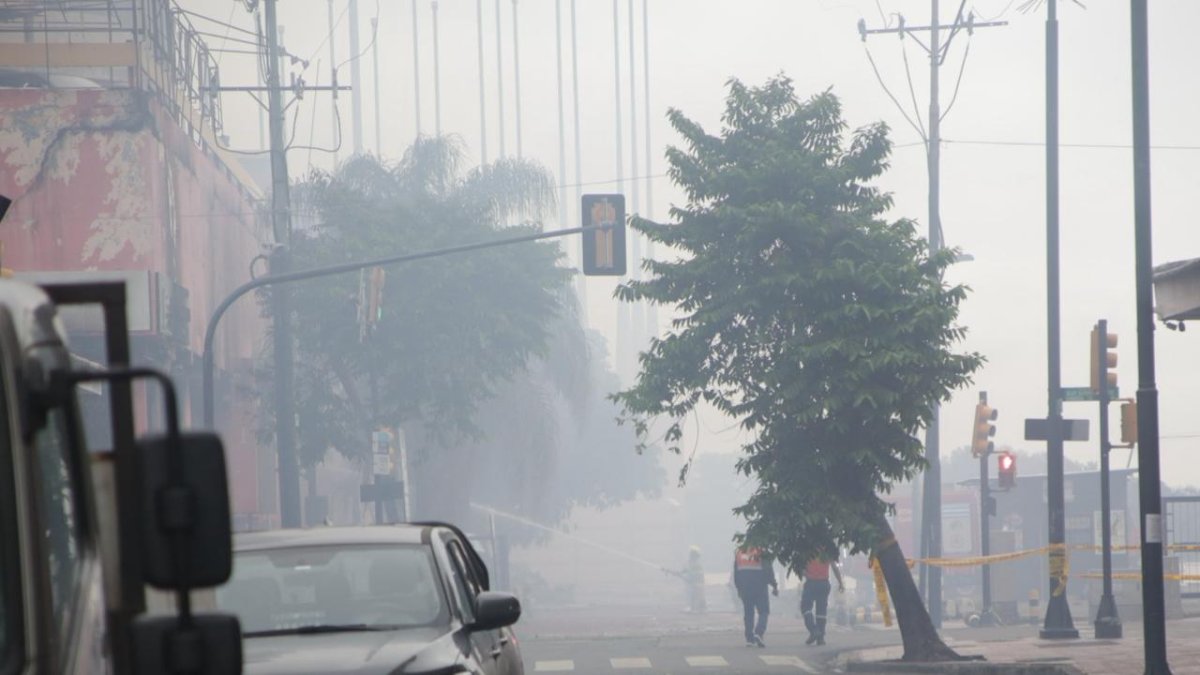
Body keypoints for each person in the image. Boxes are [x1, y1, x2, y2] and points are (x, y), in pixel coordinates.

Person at [732, 545, 777, 648]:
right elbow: (768, 570)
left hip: (745, 589)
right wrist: (774, 585)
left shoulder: (740, 552)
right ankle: (759, 633)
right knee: (764, 611)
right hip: (760, 587)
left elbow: (736, 573)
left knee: (748, 613)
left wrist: (739, 588)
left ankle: (749, 639)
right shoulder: (762, 551)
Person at [798, 555, 844, 646]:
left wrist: (806, 573)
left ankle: (814, 630)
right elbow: (834, 568)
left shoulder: (808, 551)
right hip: (824, 584)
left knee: (805, 608)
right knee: (821, 612)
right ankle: (821, 638)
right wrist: (840, 582)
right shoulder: (827, 551)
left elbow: (802, 570)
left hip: (811, 583)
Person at [678, 545, 707, 614]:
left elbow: (698, 574)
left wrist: (693, 580)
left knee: (697, 596)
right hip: (692, 584)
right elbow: (686, 570)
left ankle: (699, 608)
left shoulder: (697, 564)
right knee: (692, 595)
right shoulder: (690, 563)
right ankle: (694, 608)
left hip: (697, 584)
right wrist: (680, 573)